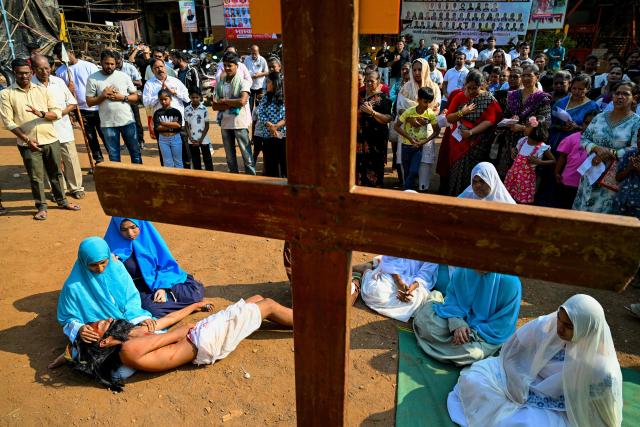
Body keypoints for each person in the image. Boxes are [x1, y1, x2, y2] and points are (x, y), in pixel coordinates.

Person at [448, 294, 623, 427]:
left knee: (525, 423)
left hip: (559, 407)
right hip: (524, 379)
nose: (560, 329)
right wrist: (518, 380)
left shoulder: (601, 367)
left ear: (587, 328)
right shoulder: (549, 325)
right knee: (473, 380)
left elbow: (601, 413)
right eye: (560, 320)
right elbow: (514, 350)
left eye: (568, 326)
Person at [60, 294, 292, 390]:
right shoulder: (129, 348)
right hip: (202, 341)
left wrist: (194, 307)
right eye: (101, 325)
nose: (106, 319)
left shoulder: (131, 337)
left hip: (200, 334)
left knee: (256, 300)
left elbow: (169, 321)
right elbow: (176, 333)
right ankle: (316, 324)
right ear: (104, 342)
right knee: (267, 305)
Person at [414, 163, 520, 365]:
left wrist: (471, 331)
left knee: (472, 352)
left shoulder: (509, 282)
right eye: (475, 181)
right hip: (461, 263)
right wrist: (456, 322)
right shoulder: (466, 269)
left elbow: (503, 325)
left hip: (480, 332)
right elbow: (454, 295)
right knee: (427, 318)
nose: (478, 186)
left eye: (483, 182)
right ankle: (446, 325)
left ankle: (452, 342)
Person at [0, 58, 80, 220]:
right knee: (36, 177)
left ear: (31, 73)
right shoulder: (6, 94)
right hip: (27, 143)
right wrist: (27, 140)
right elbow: (8, 122)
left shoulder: (43, 90)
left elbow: (56, 112)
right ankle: (41, 207)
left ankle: (62, 201)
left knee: (56, 173)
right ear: (14, 74)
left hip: (50, 138)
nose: (24, 77)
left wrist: (42, 114)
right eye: (20, 74)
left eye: (27, 73)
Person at [57, 236, 154, 350]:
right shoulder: (73, 287)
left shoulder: (118, 268)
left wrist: (139, 317)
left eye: (103, 262)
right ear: (83, 262)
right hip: (103, 334)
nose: (100, 268)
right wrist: (79, 328)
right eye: (93, 265)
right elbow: (67, 317)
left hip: (130, 320)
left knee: (153, 334)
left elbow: (131, 297)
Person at [104, 217, 205, 318]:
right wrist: (112, 265)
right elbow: (109, 279)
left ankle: (175, 305)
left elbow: (166, 265)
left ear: (140, 224)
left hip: (158, 279)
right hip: (137, 288)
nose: (130, 233)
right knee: (154, 311)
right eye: (124, 229)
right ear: (117, 229)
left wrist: (162, 287)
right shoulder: (110, 249)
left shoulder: (149, 238)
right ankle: (192, 307)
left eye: (133, 227)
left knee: (193, 293)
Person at [573, 81, 640, 213]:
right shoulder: (600, 117)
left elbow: (635, 148)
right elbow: (584, 138)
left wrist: (610, 152)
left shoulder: (636, 122)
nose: (620, 97)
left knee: (603, 212)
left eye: (625, 94)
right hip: (591, 170)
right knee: (582, 210)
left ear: (634, 98)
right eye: (617, 93)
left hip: (614, 175)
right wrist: (596, 149)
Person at [438, 70, 503, 196]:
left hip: (477, 143)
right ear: (465, 85)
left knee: (473, 173)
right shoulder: (459, 96)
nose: (472, 91)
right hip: (458, 141)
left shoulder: (488, 99)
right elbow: (449, 118)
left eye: (475, 88)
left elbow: (489, 121)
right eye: (469, 88)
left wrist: (471, 132)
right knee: (456, 171)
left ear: (482, 85)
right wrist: (462, 112)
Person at [31, 55, 85, 200]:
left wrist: (58, 114)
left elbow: (72, 103)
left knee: (71, 159)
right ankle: (59, 190)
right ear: (34, 69)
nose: (44, 72)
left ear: (51, 67)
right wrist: (46, 116)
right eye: (40, 69)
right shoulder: (30, 85)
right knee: (51, 163)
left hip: (63, 128)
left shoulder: (59, 82)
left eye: (47, 68)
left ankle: (76, 188)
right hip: (43, 130)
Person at [494, 65, 552, 179]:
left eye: (529, 75)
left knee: (522, 180)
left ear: (537, 77)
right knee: (505, 176)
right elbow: (505, 115)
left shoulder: (542, 99)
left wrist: (521, 127)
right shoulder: (513, 95)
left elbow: (545, 123)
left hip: (530, 144)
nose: (525, 78)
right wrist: (510, 120)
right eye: (523, 75)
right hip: (509, 141)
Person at [86, 50, 142, 164]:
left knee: (135, 152)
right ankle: (118, 181)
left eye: (112, 64)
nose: (110, 66)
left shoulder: (124, 76)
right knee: (114, 156)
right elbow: (89, 102)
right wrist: (103, 96)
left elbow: (136, 97)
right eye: (106, 63)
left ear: (116, 63)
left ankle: (139, 179)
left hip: (127, 121)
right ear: (101, 62)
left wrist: (122, 97)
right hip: (108, 124)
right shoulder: (93, 79)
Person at [53, 43, 105, 164]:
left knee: (105, 134)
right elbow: (61, 93)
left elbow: (100, 85)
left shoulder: (89, 66)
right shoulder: (60, 72)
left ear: (70, 52)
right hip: (80, 110)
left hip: (98, 107)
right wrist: (68, 89)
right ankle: (98, 159)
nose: (61, 58)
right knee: (90, 136)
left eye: (62, 55)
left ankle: (113, 160)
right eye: (59, 56)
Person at [352, 255, 439, 322]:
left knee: (416, 303)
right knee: (377, 294)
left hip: (415, 281)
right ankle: (367, 270)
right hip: (393, 274)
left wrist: (412, 288)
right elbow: (390, 260)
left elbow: (426, 273)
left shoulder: (434, 243)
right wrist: (399, 282)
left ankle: (371, 267)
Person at [211, 51, 256, 175]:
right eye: (225, 65)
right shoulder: (220, 83)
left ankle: (252, 181)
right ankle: (234, 182)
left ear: (237, 65)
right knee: (230, 158)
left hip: (239, 123)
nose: (227, 68)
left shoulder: (243, 82)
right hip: (225, 123)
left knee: (247, 157)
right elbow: (214, 106)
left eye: (229, 65)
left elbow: (242, 101)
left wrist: (224, 101)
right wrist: (231, 102)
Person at [142, 58, 190, 167]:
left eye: (161, 66)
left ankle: (186, 178)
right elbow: (146, 103)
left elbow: (187, 98)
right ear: (152, 70)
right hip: (161, 126)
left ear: (165, 67)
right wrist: (160, 95)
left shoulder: (175, 81)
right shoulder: (149, 84)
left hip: (178, 124)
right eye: (156, 68)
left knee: (184, 155)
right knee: (166, 158)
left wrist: (174, 92)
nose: (160, 69)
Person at [395, 87, 440, 191]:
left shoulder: (430, 114)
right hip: (406, 146)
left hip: (419, 147)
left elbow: (437, 131)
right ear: (418, 100)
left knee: (414, 171)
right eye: (425, 101)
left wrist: (424, 141)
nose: (427, 105)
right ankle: (408, 192)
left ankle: (406, 191)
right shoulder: (409, 112)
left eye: (429, 102)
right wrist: (410, 138)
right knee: (407, 172)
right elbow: (396, 127)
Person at [504, 116, 556, 204]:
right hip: (513, 176)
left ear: (536, 130)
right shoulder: (522, 141)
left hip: (526, 181)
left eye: (528, 126)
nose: (524, 127)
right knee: (509, 198)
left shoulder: (541, 147)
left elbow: (553, 161)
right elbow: (515, 156)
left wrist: (539, 162)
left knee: (521, 202)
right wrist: (513, 152)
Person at [553, 111, 597, 209]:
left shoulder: (599, 142)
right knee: (564, 207)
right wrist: (557, 172)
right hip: (568, 180)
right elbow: (562, 157)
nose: (589, 126)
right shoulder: (572, 138)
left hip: (587, 183)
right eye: (586, 123)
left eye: (593, 123)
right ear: (582, 123)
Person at [257, 71, 288, 178]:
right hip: (268, 137)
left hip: (283, 137)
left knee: (285, 165)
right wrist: (269, 125)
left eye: (268, 82)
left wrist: (276, 126)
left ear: (276, 83)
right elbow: (260, 113)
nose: (266, 84)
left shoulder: (285, 97)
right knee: (271, 167)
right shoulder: (265, 98)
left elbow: (288, 115)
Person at [114, 51, 145, 151]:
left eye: (118, 63)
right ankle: (127, 142)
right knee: (122, 121)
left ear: (121, 59)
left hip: (132, 98)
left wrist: (125, 81)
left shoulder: (130, 67)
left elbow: (139, 82)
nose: (116, 65)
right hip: (118, 99)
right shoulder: (113, 69)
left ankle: (140, 141)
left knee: (136, 120)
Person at [184, 88, 213, 171]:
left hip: (203, 139)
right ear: (189, 97)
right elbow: (186, 125)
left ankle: (211, 176)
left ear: (200, 97)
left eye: (197, 97)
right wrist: (190, 137)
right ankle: (198, 176)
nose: (195, 99)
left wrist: (201, 140)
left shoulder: (204, 109)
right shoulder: (186, 110)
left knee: (207, 159)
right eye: (193, 97)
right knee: (195, 159)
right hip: (192, 139)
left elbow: (207, 126)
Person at [153, 90, 183, 168]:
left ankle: (181, 179)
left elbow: (178, 125)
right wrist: (172, 124)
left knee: (178, 161)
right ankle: (170, 179)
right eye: (161, 99)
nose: (163, 101)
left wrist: (164, 123)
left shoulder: (176, 112)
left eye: (165, 99)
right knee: (167, 162)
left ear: (170, 99)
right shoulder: (157, 113)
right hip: (163, 139)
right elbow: (158, 128)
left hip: (175, 137)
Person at [614, 129, 640, 218]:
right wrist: (629, 168)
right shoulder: (630, 154)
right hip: (622, 201)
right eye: (638, 136)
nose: (639, 140)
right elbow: (618, 178)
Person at [243, 45, 269, 112]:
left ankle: (258, 121)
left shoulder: (262, 60)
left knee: (259, 106)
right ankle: (249, 121)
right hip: (250, 86)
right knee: (249, 106)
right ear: (250, 52)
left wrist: (259, 74)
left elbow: (267, 72)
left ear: (258, 52)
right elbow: (243, 71)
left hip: (260, 86)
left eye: (255, 53)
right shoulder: (247, 59)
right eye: (252, 53)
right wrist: (249, 76)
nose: (254, 55)